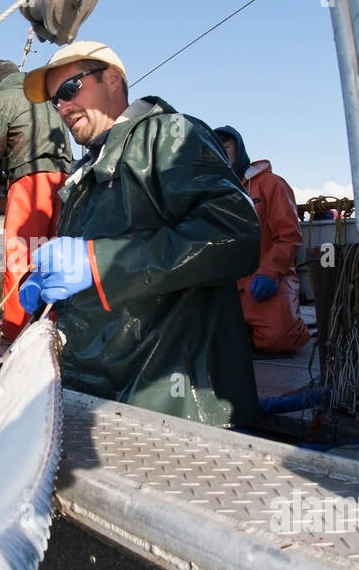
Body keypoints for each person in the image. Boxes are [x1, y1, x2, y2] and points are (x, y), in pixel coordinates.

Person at [18, 41, 262, 428]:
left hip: (171, 407)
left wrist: (101, 263)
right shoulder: (84, 176)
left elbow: (235, 233)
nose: (62, 108)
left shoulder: (170, 135)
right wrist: (48, 298)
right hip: (96, 396)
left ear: (112, 79)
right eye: (55, 102)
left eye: (69, 90)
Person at [0, 59, 73, 342]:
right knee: (55, 257)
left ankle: (16, 331)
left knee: (20, 256)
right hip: (64, 181)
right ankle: (52, 330)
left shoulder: (2, 98)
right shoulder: (45, 97)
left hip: (30, 179)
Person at [215, 125, 311, 355]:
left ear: (239, 149)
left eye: (226, 145)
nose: (221, 150)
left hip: (266, 281)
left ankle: (288, 322)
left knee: (280, 339)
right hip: (227, 285)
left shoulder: (272, 184)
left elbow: (289, 236)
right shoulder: (212, 192)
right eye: (215, 146)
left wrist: (269, 273)